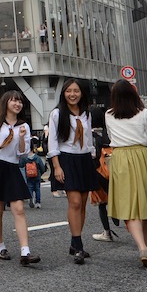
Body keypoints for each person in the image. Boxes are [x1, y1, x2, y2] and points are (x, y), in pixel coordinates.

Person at [103, 80, 147, 268]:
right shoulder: (144, 113)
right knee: (146, 205)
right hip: (142, 156)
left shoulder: (108, 115)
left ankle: (141, 247)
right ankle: (146, 247)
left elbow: (110, 136)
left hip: (121, 158)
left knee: (129, 206)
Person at [0, 90, 39, 265]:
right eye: (14, 101)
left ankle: (25, 252)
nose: (17, 104)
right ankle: (0, 246)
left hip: (12, 167)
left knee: (19, 208)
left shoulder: (23, 126)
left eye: (20, 102)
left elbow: (23, 153)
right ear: (6, 102)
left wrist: (20, 138)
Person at [48, 78, 100, 264]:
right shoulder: (57, 114)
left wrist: (92, 156)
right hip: (66, 159)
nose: (72, 94)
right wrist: (56, 166)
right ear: (64, 93)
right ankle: (78, 245)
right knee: (75, 202)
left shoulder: (86, 113)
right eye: (69, 91)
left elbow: (88, 137)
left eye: (76, 91)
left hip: (84, 158)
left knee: (83, 202)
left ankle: (74, 241)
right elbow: (53, 141)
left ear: (81, 93)